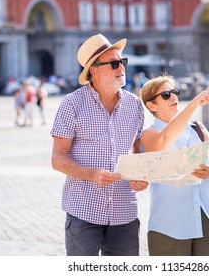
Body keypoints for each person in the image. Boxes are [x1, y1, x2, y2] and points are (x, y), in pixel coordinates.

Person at [50, 34, 148, 256]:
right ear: (94, 70)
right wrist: (91, 174)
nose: (121, 67)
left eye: (122, 62)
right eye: (114, 63)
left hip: (125, 212)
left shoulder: (135, 106)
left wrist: (140, 175)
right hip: (84, 212)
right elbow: (57, 159)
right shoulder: (71, 105)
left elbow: (137, 151)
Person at [139, 74, 209, 256]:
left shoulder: (197, 128)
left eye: (175, 92)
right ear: (151, 105)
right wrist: (192, 105)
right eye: (166, 95)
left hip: (206, 220)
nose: (174, 97)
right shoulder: (149, 134)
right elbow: (164, 141)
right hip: (169, 225)